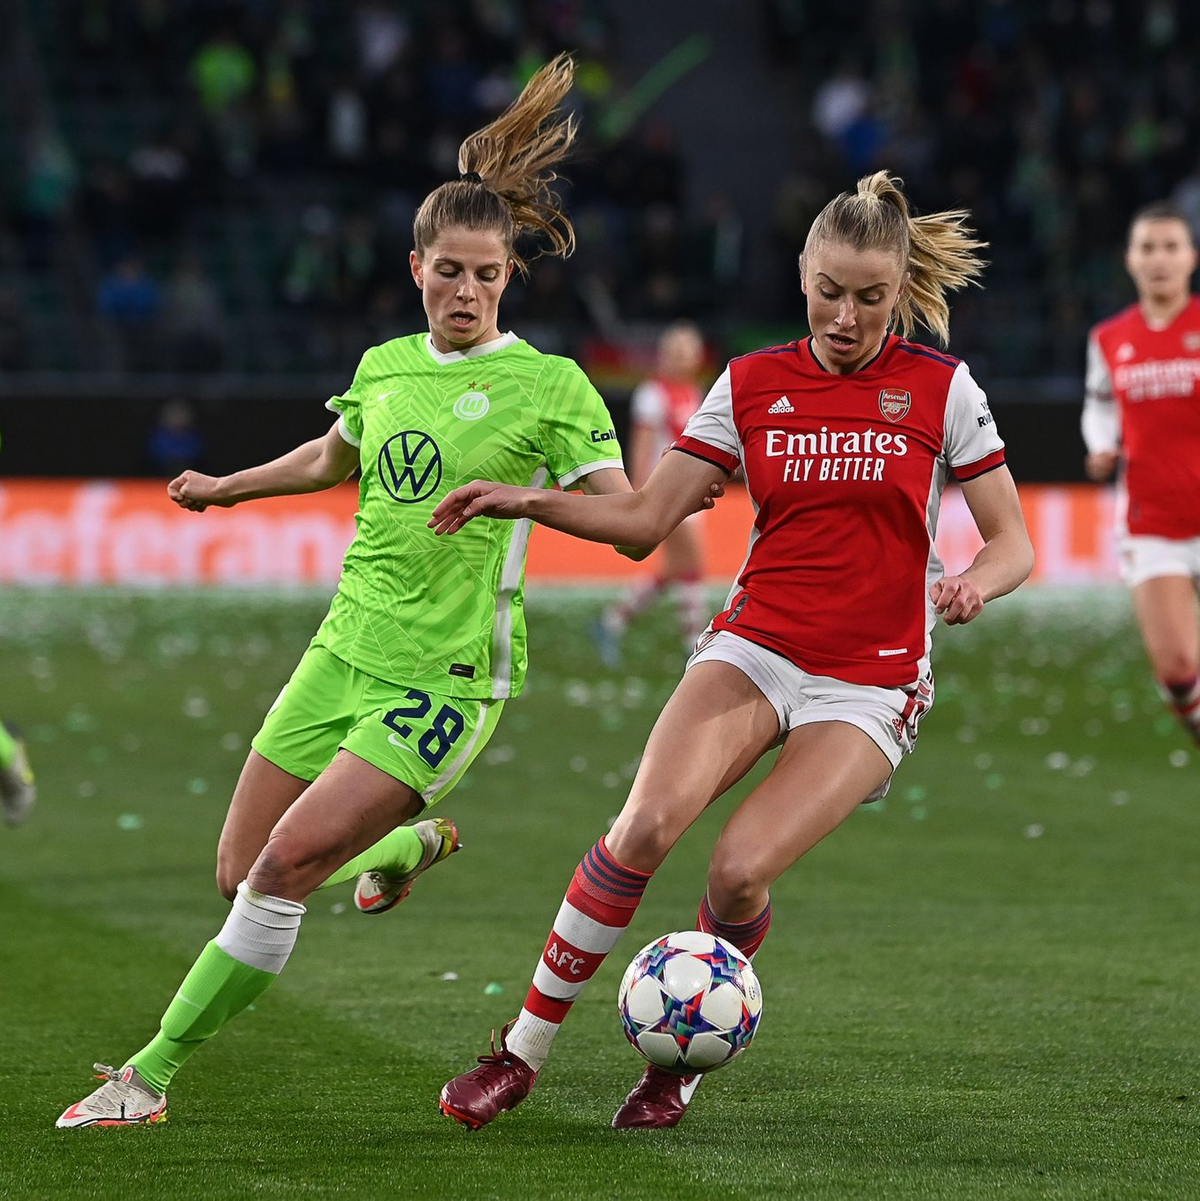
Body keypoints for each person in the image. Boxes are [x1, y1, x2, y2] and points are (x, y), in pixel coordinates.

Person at [56, 54, 665, 1129]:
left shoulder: (550, 385)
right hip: (342, 651)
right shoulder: (385, 365)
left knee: (284, 865)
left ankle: (145, 1078)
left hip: (443, 676)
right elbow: (335, 456)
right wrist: (232, 487)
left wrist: (522, 503)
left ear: (508, 278)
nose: (467, 291)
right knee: (239, 867)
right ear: (416, 266)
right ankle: (400, 847)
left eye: (487, 275)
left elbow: (627, 521)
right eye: (450, 272)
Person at [432, 171, 1034, 1131]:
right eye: (830, 290)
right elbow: (641, 520)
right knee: (642, 826)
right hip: (753, 645)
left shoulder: (942, 388)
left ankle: (681, 1062)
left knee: (737, 873)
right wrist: (527, 497)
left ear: (901, 288)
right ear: (802, 273)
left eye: (872, 296)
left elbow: (1015, 542)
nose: (847, 314)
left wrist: (975, 581)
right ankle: (519, 1053)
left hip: (870, 680)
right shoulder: (751, 383)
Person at [1082, 202, 1200, 747]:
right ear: (1130, 259)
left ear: (1191, 257)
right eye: (1147, 247)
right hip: (1152, 521)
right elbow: (1100, 405)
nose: (1159, 258)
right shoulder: (1109, 338)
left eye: (1171, 246)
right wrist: (1101, 445)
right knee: (1177, 669)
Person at [596, 322, 709, 665]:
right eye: (676, 352)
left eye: (688, 352)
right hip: (667, 491)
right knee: (692, 565)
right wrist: (640, 493)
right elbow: (642, 447)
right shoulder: (652, 394)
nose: (683, 359)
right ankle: (695, 643)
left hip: (691, 491)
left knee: (678, 568)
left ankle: (613, 620)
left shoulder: (694, 392)